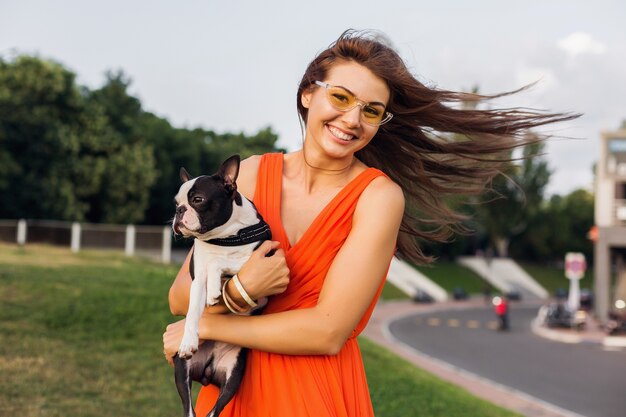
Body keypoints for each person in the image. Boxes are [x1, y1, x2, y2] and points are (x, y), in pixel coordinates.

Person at [163, 30, 577, 416]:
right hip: (231, 390)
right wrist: (241, 290)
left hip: (315, 393)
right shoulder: (249, 176)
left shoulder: (377, 198)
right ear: (309, 94)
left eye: (372, 110)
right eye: (341, 97)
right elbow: (181, 295)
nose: (353, 119)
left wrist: (206, 323)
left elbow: (327, 331)